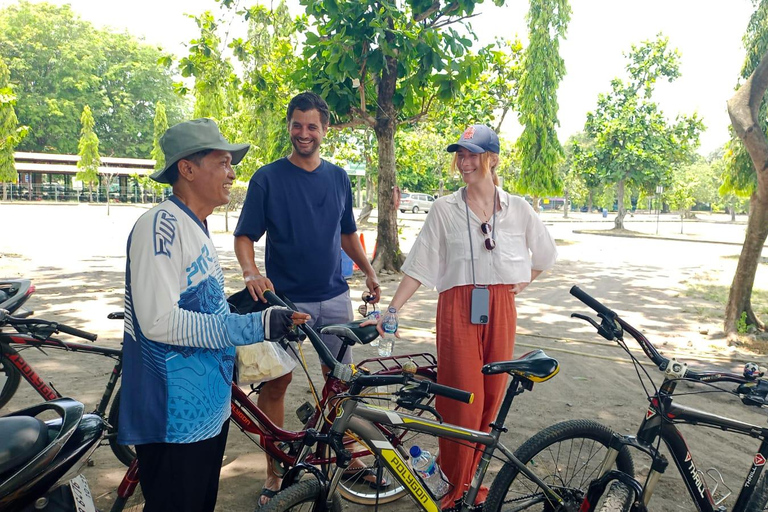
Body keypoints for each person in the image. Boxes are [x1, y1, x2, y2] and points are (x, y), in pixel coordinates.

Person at [118, 118, 310, 512]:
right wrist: (251, 325)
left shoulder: (195, 225)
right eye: (222, 163)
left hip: (207, 410)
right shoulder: (161, 227)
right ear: (186, 169)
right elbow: (159, 321)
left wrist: (252, 308)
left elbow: (200, 303)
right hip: (174, 419)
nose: (232, 173)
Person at [377, 124, 557, 510]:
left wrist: (520, 285)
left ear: (492, 159)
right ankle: (453, 491)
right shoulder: (444, 208)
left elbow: (544, 255)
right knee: (462, 401)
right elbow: (419, 265)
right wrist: (393, 309)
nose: (464, 162)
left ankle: (465, 481)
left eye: (473, 154)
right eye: (460, 154)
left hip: (501, 308)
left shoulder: (518, 208)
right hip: (458, 308)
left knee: (491, 399)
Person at [233, 91, 381, 504]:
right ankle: (276, 472)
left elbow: (347, 233)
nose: (304, 133)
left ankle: (344, 453)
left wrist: (368, 271)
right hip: (286, 304)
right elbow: (244, 235)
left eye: (311, 126)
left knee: (342, 385)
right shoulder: (268, 178)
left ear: (325, 130)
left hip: (335, 298)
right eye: (297, 125)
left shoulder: (338, 178)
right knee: (277, 384)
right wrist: (251, 271)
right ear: (289, 127)